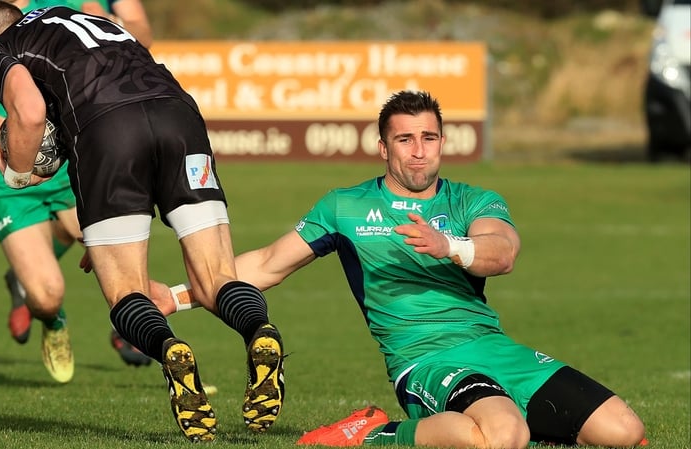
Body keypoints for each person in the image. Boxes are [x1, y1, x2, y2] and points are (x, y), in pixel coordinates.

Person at [152, 90, 647, 448]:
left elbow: (503, 251)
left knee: (625, 432)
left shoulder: (472, 200)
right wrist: (174, 297)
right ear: (383, 148)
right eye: (405, 139)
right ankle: (375, 434)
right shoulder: (344, 207)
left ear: (442, 143)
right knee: (505, 434)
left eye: (429, 138)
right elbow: (265, 265)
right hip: (424, 362)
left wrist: (450, 246)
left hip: (494, 347)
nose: (419, 149)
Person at [0, 2, 285, 442]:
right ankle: (258, 331)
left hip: (108, 130)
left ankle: (170, 350)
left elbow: (31, 113)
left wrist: (18, 173)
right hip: (179, 117)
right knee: (215, 279)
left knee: (125, 292)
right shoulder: (79, 17)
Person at [0, 0, 155, 379]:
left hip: (65, 162)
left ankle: (146, 341)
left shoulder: (62, 8)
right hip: (0, 173)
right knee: (46, 294)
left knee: (121, 259)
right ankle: (52, 321)